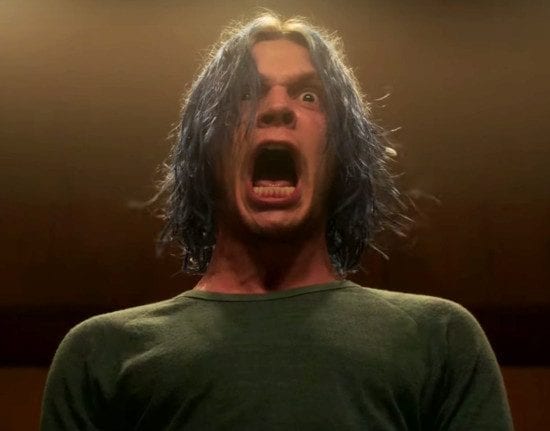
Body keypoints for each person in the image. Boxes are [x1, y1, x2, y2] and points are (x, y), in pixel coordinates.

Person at [41, 13, 513, 430]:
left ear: (341, 153)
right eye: (245, 93)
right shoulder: (103, 353)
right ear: (207, 147)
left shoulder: (438, 339)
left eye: (309, 95)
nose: (277, 107)